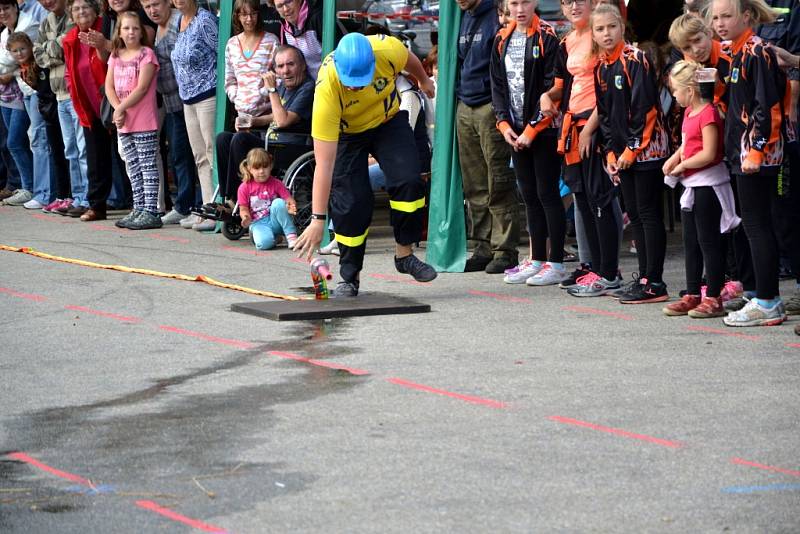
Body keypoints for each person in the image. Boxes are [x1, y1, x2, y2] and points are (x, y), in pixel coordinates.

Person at [293, 32, 437, 297]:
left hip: (387, 122)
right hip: (348, 135)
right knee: (351, 203)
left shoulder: (387, 50)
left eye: (362, 82)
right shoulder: (327, 88)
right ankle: (349, 278)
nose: (357, 88)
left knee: (409, 180)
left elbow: (411, 60)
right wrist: (317, 219)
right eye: (352, 84)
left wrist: (424, 80)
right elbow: (324, 164)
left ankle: (404, 255)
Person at [539, 0, 625, 296]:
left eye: (580, 1)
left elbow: (608, 88)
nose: (573, 6)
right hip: (572, 125)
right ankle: (593, 264)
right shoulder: (567, 41)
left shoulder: (600, 35)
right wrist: (546, 96)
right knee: (583, 198)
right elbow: (562, 84)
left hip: (595, 125)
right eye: (566, 2)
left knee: (601, 198)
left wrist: (591, 128)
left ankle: (609, 271)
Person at [710, 0, 788, 327]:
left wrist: (757, 149)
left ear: (746, 16)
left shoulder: (758, 52)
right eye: (715, 17)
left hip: (758, 153)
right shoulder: (735, 53)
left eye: (726, 16)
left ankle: (768, 300)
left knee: (758, 226)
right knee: (753, 225)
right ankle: (762, 295)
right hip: (740, 152)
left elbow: (767, 107)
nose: (720, 23)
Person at [593, 3, 671, 304]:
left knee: (649, 212)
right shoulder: (600, 65)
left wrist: (631, 149)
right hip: (622, 151)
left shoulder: (635, 59)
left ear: (622, 27)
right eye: (600, 29)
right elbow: (606, 115)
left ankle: (656, 281)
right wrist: (611, 153)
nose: (606, 33)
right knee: (634, 213)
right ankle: (643, 276)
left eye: (611, 26)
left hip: (647, 148)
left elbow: (645, 109)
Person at [490, 0, 567, 286]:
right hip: (515, 129)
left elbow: (553, 86)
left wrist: (532, 130)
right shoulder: (501, 38)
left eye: (525, 1)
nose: (520, 8)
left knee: (548, 193)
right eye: (514, 2)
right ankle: (536, 259)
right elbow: (497, 84)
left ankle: (556, 261)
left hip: (543, 129)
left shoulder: (547, 37)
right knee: (529, 196)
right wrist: (503, 124)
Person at [662, 60, 740, 318]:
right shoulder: (688, 113)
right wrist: (675, 158)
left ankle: (714, 296)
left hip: (708, 185)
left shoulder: (708, 113)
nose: (674, 95)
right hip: (692, 184)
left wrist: (682, 164)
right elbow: (688, 144)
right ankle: (693, 292)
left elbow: (708, 153)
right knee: (691, 242)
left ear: (691, 91)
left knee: (709, 242)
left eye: (676, 90)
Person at [455, 0, 520, 274]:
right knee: (474, 184)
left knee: (499, 181)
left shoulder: (496, 14)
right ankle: (482, 245)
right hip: (465, 105)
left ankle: (505, 249)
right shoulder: (463, 17)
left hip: (488, 106)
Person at [215, 43, 313, 203]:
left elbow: (282, 121)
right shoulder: (286, 87)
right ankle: (230, 198)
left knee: (241, 140)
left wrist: (272, 90)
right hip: (274, 142)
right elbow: (276, 115)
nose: (285, 71)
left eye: (290, 64)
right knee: (223, 139)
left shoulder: (307, 88)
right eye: (280, 66)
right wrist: (254, 121)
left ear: (302, 66)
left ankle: (244, 198)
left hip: (291, 147)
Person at [758, 0, 800, 319]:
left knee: (790, 203)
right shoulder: (757, 7)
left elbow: (793, 66)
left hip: (789, 118)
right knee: (780, 205)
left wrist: (791, 110)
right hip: (772, 123)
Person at [141, 0, 199, 225]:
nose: (152, 10)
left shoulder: (177, 20)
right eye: (147, 7)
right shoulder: (157, 27)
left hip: (189, 98)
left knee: (193, 154)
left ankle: (195, 205)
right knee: (178, 154)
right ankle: (184, 205)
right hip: (171, 101)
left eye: (156, 4)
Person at [105, 10, 161, 230]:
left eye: (135, 28)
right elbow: (109, 85)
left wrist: (120, 108)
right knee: (133, 166)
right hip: (124, 121)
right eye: (126, 28)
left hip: (143, 120)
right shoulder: (115, 55)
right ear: (119, 31)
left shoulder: (146, 55)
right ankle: (138, 207)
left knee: (148, 165)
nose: (131, 32)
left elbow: (143, 87)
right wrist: (118, 109)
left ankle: (151, 210)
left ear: (141, 32)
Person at [62, 0, 111, 221]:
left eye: (86, 7)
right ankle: (97, 205)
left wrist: (102, 44)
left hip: (114, 102)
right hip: (88, 107)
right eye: (76, 9)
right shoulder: (70, 39)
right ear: (71, 15)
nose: (82, 12)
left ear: (95, 10)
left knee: (127, 156)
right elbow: (69, 73)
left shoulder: (106, 27)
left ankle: (141, 203)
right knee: (95, 158)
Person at [171, 0, 217, 231]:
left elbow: (222, 52)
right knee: (199, 156)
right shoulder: (179, 20)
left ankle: (217, 209)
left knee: (212, 152)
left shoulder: (205, 19)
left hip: (207, 93)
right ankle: (206, 208)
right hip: (187, 97)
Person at [32, 0, 73, 216]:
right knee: (61, 148)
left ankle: (81, 196)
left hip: (73, 91)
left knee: (78, 150)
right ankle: (64, 194)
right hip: (55, 93)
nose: (47, 1)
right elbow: (37, 54)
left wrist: (50, 48)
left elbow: (66, 47)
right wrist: (53, 48)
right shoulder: (46, 21)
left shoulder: (74, 14)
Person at [6, 31, 53, 211]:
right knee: (35, 140)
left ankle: (44, 193)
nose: (19, 53)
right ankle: (39, 191)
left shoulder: (36, 65)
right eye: (15, 51)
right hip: (27, 97)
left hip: (37, 97)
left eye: (23, 49)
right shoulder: (19, 68)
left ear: (31, 47)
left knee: (39, 139)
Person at [0, 0, 37, 207]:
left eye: (6, 8)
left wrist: (9, 69)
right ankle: (25, 186)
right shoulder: (5, 32)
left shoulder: (28, 24)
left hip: (27, 93)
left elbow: (9, 62)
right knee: (14, 143)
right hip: (9, 95)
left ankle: (30, 187)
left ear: (16, 7)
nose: (3, 13)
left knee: (16, 142)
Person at [224, 0, 278, 127]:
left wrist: (262, 93)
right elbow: (230, 80)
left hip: (268, 115)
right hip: (242, 115)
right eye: (244, 14)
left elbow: (279, 76)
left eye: (253, 13)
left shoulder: (271, 41)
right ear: (237, 16)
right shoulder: (232, 44)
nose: (249, 19)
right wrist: (237, 97)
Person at [238, 147, 297, 250]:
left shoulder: (276, 183)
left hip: (275, 219)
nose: (261, 171)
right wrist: (245, 217)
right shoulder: (244, 187)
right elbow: (243, 209)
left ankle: (291, 236)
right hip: (258, 223)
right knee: (263, 245)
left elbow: (288, 199)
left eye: (265, 167)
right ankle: (272, 238)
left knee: (278, 203)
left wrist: (291, 206)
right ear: (249, 168)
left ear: (271, 166)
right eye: (257, 168)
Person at [274, 0, 323, 78]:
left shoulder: (318, 18)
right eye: (280, 6)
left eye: (289, 2)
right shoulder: (284, 26)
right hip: (304, 85)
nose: (285, 9)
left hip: (327, 83)